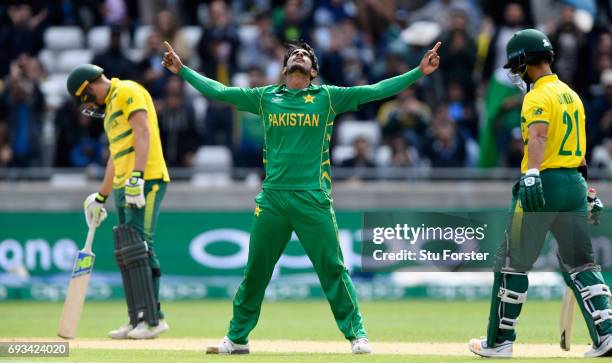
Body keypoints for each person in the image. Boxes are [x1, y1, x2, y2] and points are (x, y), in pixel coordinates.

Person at [162, 39, 441, 354]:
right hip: (273, 199)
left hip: (313, 198)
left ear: (314, 70)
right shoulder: (266, 97)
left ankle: (357, 334)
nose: (299, 56)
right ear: (284, 69)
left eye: (305, 55)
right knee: (255, 272)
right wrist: (182, 70)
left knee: (332, 269)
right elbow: (220, 92)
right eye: (294, 54)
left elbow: (376, 90)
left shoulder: (328, 98)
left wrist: (418, 72)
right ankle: (237, 339)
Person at [468, 29, 612, 358]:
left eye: (516, 66)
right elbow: (579, 150)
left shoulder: (536, 97)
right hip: (574, 184)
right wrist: (588, 190)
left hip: (542, 185)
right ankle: (607, 334)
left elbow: (538, 136)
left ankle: (499, 342)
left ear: (523, 61)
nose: (515, 73)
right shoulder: (571, 94)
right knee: (582, 264)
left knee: (511, 264)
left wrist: (532, 174)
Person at [66, 64, 170, 339]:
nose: (88, 104)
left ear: (88, 86)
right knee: (126, 251)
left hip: (147, 179)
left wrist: (137, 176)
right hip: (125, 183)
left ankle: (153, 319)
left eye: (85, 97)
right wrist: (101, 196)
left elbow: (143, 131)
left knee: (141, 246)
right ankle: (136, 318)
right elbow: (114, 156)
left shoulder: (127, 90)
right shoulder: (110, 109)